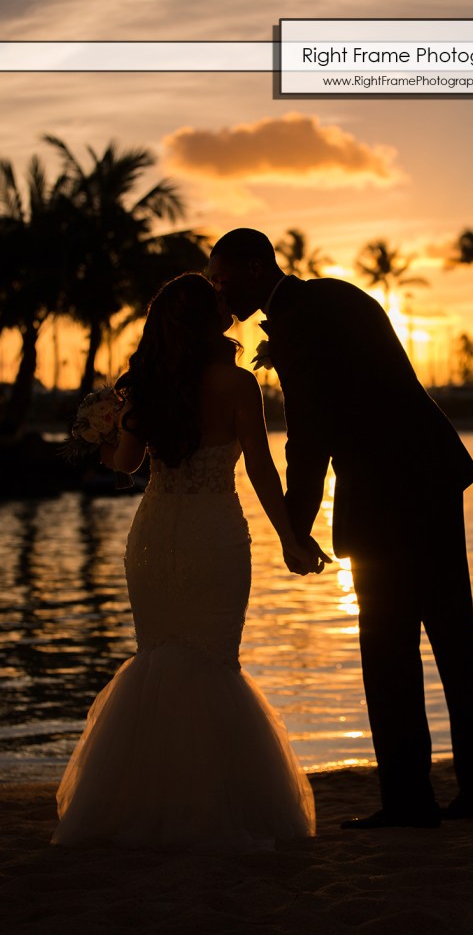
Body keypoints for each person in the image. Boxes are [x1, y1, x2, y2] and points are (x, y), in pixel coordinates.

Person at [209, 228, 473, 829]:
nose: (218, 291)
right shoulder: (335, 297)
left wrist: (296, 529)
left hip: (385, 492)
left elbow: (309, 435)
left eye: (221, 278)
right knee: (452, 633)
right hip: (430, 476)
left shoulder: (298, 323)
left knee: (387, 646)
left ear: (251, 266)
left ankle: (409, 800)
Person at [51, 273, 315, 851]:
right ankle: (215, 806)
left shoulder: (148, 385)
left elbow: (123, 465)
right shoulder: (239, 385)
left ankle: (144, 803)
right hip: (215, 532)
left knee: (158, 656)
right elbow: (264, 473)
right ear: (208, 321)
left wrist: (96, 436)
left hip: (152, 536)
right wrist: (292, 538)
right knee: (214, 660)